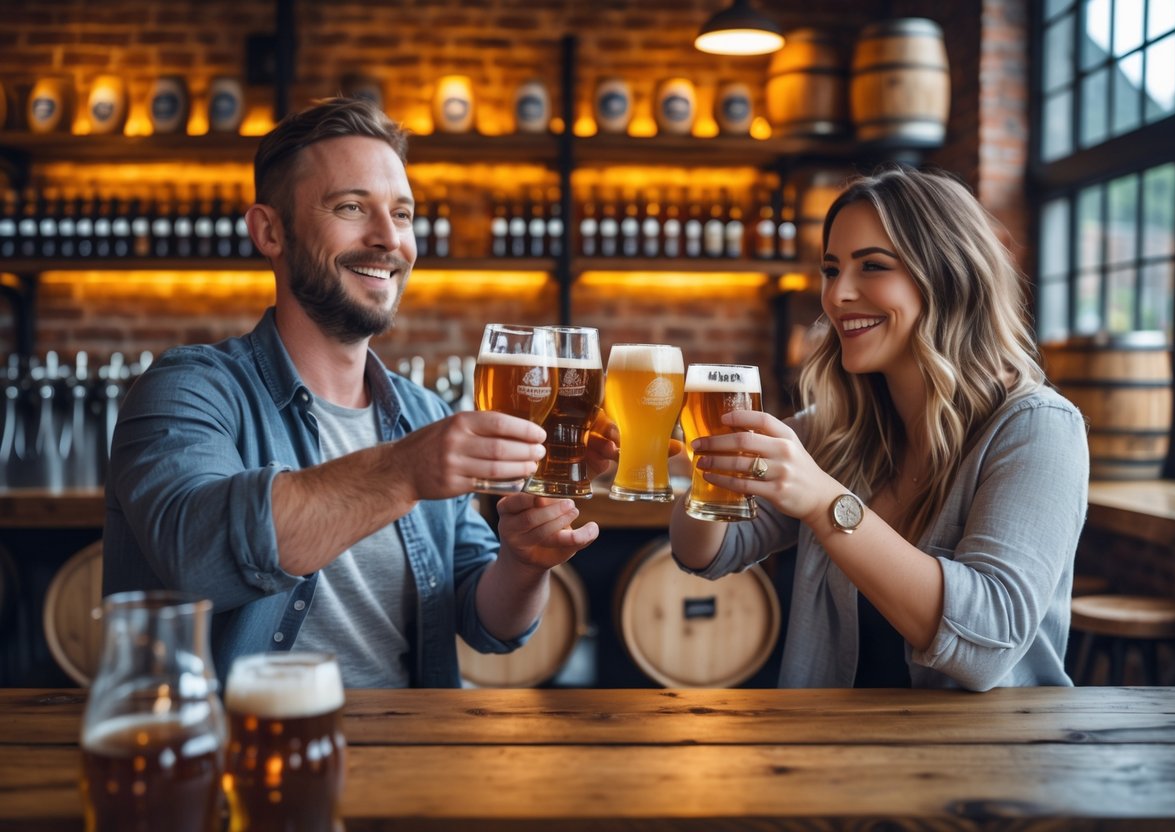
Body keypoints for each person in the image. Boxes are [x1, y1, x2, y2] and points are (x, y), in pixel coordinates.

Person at [102, 97, 602, 687]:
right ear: (269, 230)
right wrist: (403, 471)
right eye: (350, 207)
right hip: (237, 755)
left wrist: (523, 561)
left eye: (403, 213)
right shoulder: (190, 390)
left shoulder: (423, 415)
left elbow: (483, 620)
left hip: (409, 761)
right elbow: (197, 556)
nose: (389, 239)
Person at [669, 165, 1088, 691]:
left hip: (988, 761)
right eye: (831, 268)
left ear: (947, 276)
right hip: (840, 757)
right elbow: (705, 555)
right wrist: (705, 474)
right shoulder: (837, 431)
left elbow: (987, 642)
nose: (838, 294)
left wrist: (827, 505)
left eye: (872, 266)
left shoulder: (1037, 428)